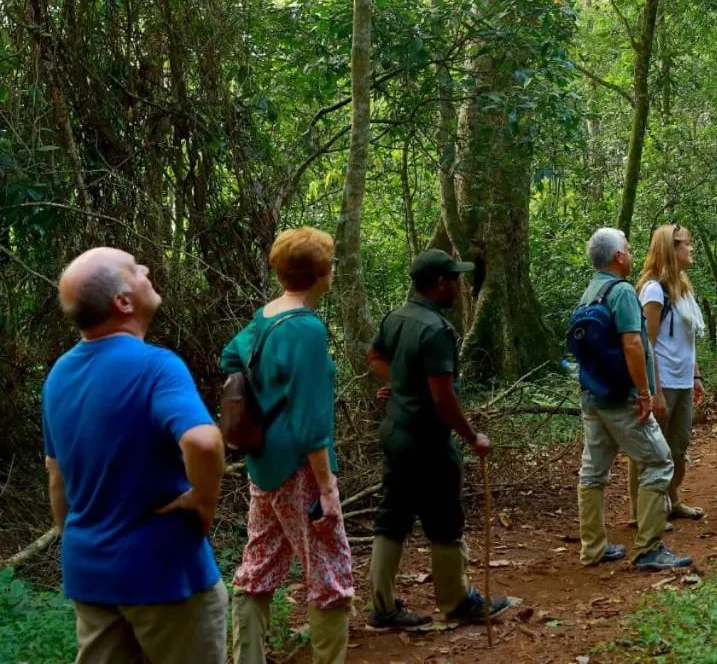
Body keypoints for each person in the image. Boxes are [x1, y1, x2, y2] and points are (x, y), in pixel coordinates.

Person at [43, 247, 228, 664]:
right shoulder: (157, 367)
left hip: (91, 578)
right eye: (135, 268)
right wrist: (203, 501)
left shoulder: (58, 376)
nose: (145, 269)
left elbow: (56, 475)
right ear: (122, 302)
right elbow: (203, 441)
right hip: (166, 575)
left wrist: (79, 541)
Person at [221, 227, 353, 664]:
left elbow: (230, 359)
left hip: (262, 464)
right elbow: (312, 422)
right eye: (329, 264)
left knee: (257, 564)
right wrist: (328, 488)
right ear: (320, 273)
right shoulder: (307, 330)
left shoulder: (263, 318)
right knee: (329, 573)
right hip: (300, 467)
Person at [365, 248, 510, 628]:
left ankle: (381, 606)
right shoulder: (437, 331)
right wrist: (473, 436)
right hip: (426, 439)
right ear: (440, 284)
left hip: (395, 432)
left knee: (391, 516)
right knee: (445, 519)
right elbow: (443, 399)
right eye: (456, 280)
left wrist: (398, 387)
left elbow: (375, 356)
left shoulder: (396, 317)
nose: (460, 287)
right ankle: (457, 600)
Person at [576, 227, 693, 570]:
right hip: (620, 397)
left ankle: (593, 547)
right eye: (626, 247)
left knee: (593, 470)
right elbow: (633, 343)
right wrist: (644, 392)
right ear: (619, 257)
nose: (630, 252)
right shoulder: (623, 291)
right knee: (658, 461)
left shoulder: (590, 292)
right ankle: (649, 548)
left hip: (592, 393)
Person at [628, 223, 706, 523]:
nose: (691, 248)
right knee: (650, 449)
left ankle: (671, 500)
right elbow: (647, 343)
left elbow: (688, 339)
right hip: (663, 381)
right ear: (670, 249)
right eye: (686, 244)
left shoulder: (683, 288)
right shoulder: (653, 289)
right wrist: (654, 390)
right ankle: (641, 512)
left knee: (678, 447)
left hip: (683, 380)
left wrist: (696, 376)